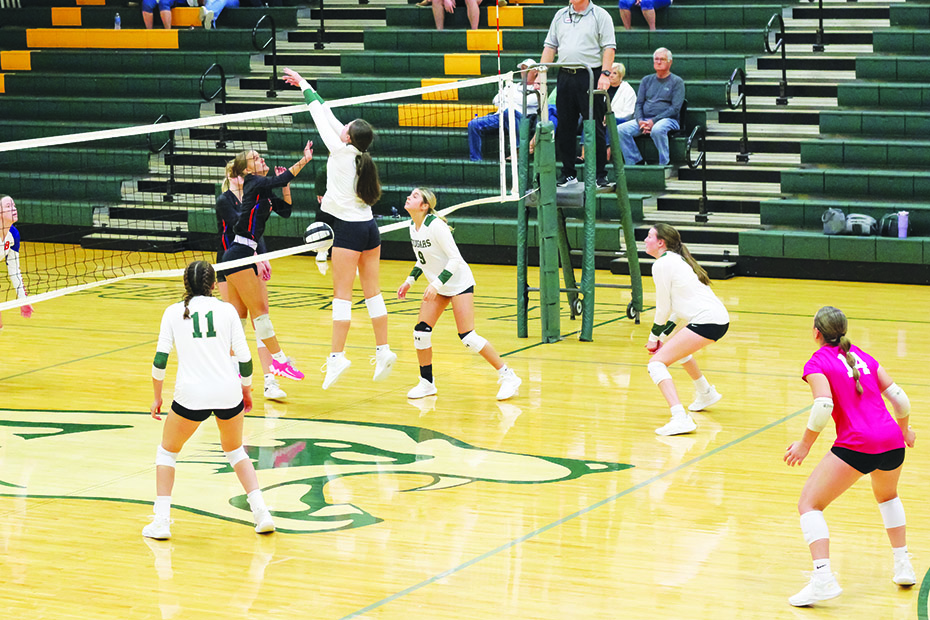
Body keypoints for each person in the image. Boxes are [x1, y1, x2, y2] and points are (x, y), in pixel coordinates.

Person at [784, 306, 916, 607]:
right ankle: (903, 565)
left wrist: (804, 444)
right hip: (891, 441)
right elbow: (899, 397)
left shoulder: (817, 362)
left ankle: (823, 578)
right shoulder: (863, 357)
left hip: (858, 443)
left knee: (809, 504)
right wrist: (905, 431)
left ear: (816, 332)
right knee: (888, 497)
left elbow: (822, 407)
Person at [282, 67, 397, 390]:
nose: (342, 126)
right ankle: (384, 349)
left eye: (345, 127)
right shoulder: (357, 152)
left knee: (342, 295)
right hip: (369, 228)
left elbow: (320, 115)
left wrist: (304, 86)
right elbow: (330, 113)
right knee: (372, 292)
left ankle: (337, 356)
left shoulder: (338, 150)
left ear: (347, 136)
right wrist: (307, 85)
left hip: (348, 232)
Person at [144, 260, 275, 540]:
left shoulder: (172, 312)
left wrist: (157, 397)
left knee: (167, 453)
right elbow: (246, 359)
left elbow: (159, 360)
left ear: (185, 284)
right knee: (236, 451)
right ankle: (262, 513)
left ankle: (162, 521)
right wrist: (247, 390)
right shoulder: (227, 310)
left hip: (191, 396)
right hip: (228, 392)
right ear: (214, 285)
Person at [396, 188, 522, 400]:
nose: (409, 197)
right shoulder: (412, 226)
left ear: (425, 206)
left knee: (468, 337)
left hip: (459, 283)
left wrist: (435, 284)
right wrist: (410, 281)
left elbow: (455, 259)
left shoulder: (436, 226)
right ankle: (427, 383)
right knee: (421, 333)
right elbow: (423, 258)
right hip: (440, 285)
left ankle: (508, 376)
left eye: (415, 196)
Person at [222, 145, 313, 382]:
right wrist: (304, 160)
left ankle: (231, 373)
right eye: (255, 158)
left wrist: (286, 188)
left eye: (260, 156)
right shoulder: (253, 182)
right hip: (239, 254)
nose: (261, 159)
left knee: (239, 320)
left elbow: (286, 211)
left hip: (240, 254)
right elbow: (283, 176)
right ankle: (280, 362)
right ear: (246, 169)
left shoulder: (262, 191)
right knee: (260, 314)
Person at [643, 223, 727, 436]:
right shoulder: (677, 260)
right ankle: (705, 392)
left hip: (707, 321)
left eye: (649, 236)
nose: (645, 240)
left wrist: (653, 338)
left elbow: (663, 307)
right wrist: (663, 335)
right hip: (718, 320)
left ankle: (680, 417)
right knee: (679, 352)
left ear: (660, 242)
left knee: (656, 364)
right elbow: (674, 309)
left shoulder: (662, 264)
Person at [215, 164, 287, 400]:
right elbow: (240, 228)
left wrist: (261, 257)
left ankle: (270, 381)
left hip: (254, 260)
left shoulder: (256, 193)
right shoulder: (224, 200)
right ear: (231, 177)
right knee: (236, 323)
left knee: (261, 319)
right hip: (229, 264)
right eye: (238, 174)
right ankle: (232, 377)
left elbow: (259, 230)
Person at [540, 0, 616, 189]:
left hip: (590, 75)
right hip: (565, 76)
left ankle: (600, 175)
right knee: (565, 127)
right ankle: (568, 173)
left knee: (594, 126)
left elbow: (609, 48)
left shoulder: (601, 15)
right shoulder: (559, 15)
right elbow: (550, 47)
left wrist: (605, 74)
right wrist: (540, 74)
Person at [618, 47, 684, 166]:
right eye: (656, 59)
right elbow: (639, 104)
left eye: (662, 59)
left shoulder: (677, 81)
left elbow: (675, 108)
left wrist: (653, 121)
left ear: (670, 62)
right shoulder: (646, 80)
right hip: (645, 119)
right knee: (621, 130)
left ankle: (664, 163)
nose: (658, 62)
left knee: (657, 129)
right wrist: (640, 121)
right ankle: (635, 161)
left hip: (668, 120)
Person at [467, 59, 540, 162]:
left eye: (527, 69)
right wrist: (512, 97)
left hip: (521, 118)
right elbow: (496, 100)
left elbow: (528, 102)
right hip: (499, 116)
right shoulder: (512, 85)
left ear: (535, 72)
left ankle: (519, 150)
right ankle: (475, 159)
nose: (524, 71)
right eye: (522, 69)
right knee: (473, 124)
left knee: (509, 111)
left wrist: (507, 96)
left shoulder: (538, 88)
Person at [0, 196, 33, 332]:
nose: (13, 209)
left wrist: (23, 300)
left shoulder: (13, 234)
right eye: (8, 206)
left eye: (14, 205)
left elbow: (14, 271)